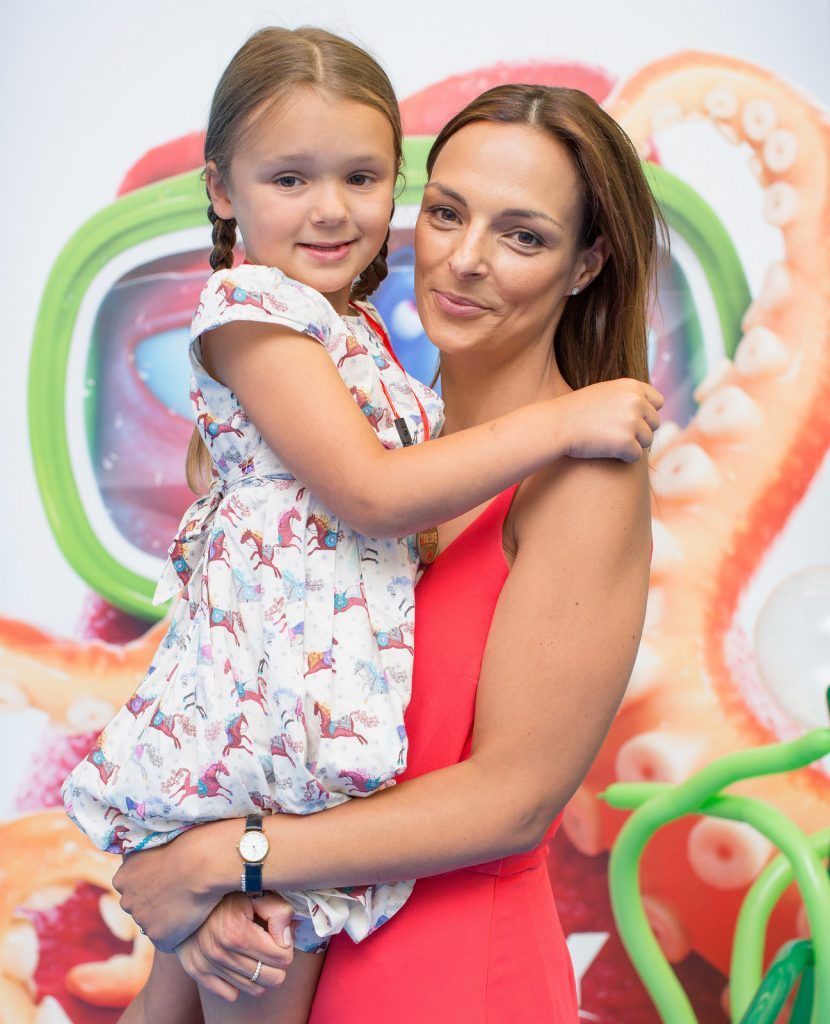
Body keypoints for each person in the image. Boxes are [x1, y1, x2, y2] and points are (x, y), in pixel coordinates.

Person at [65, 28, 661, 1024]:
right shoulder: (354, 438)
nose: (465, 260)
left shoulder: (578, 471)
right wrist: (199, 896)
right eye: (446, 212)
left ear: (585, 263)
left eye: (521, 235)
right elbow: (236, 712)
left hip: (446, 979)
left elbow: (510, 800)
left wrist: (230, 854)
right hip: (288, 952)